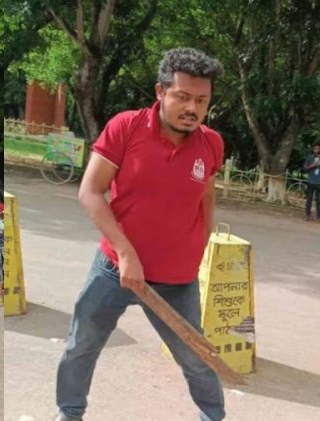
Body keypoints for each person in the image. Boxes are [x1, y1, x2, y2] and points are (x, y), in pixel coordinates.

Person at [54, 48, 225, 421]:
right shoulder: (126, 127)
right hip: (115, 268)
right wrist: (125, 252)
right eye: (182, 96)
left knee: (196, 358)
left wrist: (202, 240)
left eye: (201, 100)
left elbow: (207, 194)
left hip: (176, 280)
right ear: (160, 92)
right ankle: (69, 413)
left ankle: (213, 417)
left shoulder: (211, 143)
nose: (192, 108)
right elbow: (90, 191)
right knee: (81, 346)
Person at [304, 143, 320, 221]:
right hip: (311, 181)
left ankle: (319, 216)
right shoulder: (310, 158)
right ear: (313, 150)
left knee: (319, 200)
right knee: (309, 199)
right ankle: (308, 215)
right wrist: (313, 165)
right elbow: (305, 168)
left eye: (318, 148)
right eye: (315, 148)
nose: (316, 150)